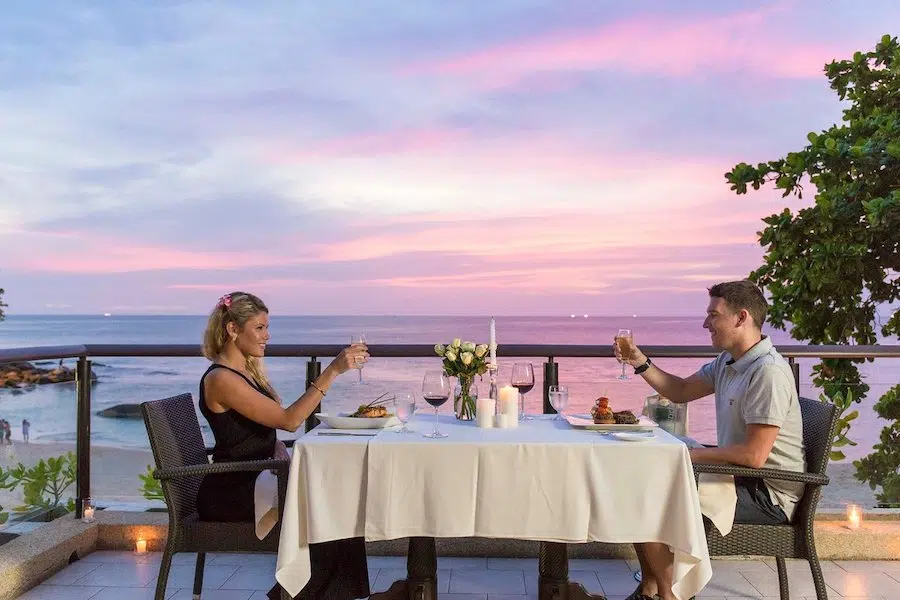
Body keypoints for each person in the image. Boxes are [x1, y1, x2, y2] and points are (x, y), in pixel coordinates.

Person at [614, 280, 806, 600]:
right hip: (739, 478)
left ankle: (668, 595)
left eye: (713, 315)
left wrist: (687, 455)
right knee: (643, 481)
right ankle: (652, 590)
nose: (706, 323)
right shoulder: (729, 363)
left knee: (653, 494)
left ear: (741, 317)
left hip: (765, 493)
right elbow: (680, 391)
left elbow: (754, 456)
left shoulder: (767, 373)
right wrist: (638, 360)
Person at [198, 291, 371, 600]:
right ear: (233, 330)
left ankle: (324, 593)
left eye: (267, 327)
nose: (268, 335)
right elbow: (290, 420)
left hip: (254, 476)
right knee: (329, 503)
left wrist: (274, 445)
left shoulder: (242, 372)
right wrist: (332, 371)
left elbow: (250, 430)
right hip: (232, 489)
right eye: (260, 328)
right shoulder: (221, 379)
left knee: (336, 495)